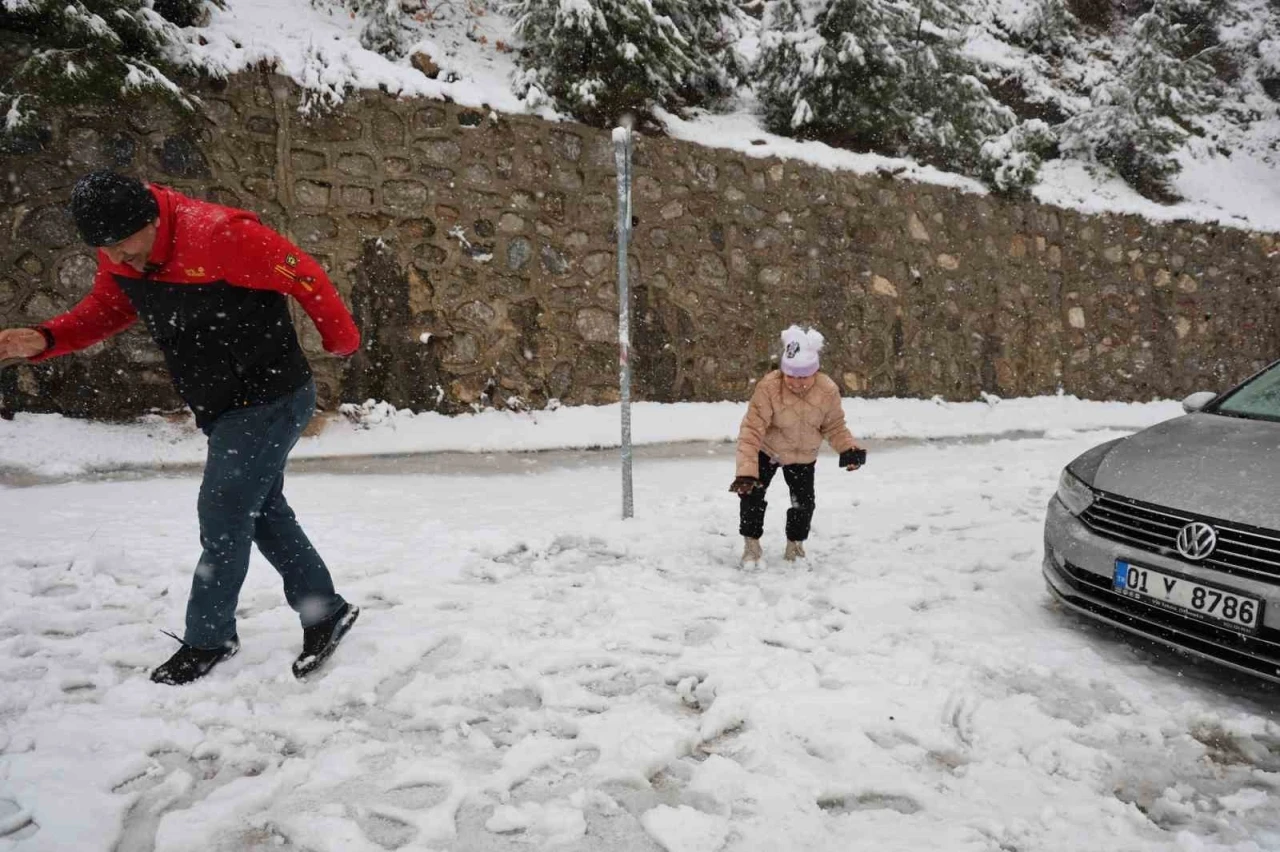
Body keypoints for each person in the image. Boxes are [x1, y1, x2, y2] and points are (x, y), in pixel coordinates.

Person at [0, 170, 362, 684]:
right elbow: (109, 309)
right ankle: (325, 609)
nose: (117, 258)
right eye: (107, 250)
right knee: (260, 510)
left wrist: (340, 338)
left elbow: (303, 274)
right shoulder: (122, 254)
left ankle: (208, 639)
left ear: (151, 221)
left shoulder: (221, 235)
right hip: (222, 403)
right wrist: (45, 338)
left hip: (270, 397)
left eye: (124, 246)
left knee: (224, 512)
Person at [730, 325, 865, 564]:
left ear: (815, 372)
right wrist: (746, 473)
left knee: (804, 504)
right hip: (768, 451)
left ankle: (795, 546)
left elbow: (834, 426)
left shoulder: (827, 390)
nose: (796, 382)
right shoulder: (769, 387)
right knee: (751, 496)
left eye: (803, 376)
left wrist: (848, 449)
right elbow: (751, 430)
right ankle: (751, 546)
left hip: (803, 455)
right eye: (790, 375)